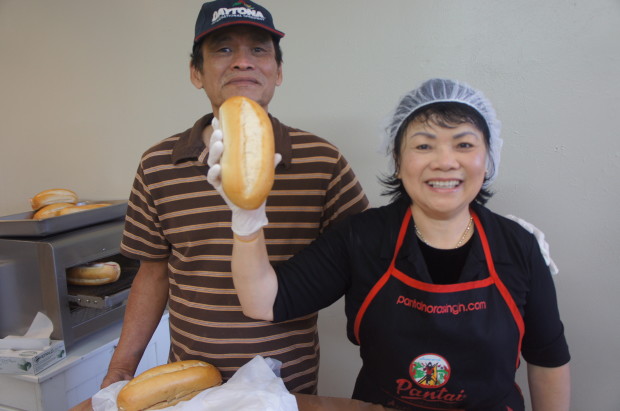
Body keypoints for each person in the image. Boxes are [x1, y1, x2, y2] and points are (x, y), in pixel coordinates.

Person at [214, 78, 571, 410]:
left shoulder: (519, 246)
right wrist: (247, 220)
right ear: (398, 162)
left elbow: (547, 360)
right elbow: (264, 301)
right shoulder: (361, 237)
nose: (445, 161)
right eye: (423, 145)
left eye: (464, 144)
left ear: (487, 158)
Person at [100, 0, 369, 394]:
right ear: (196, 72)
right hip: (191, 385)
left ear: (278, 72)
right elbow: (153, 273)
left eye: (259, 49)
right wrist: (121, 368)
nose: (242, 61)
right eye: (223, 49)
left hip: (287, 386)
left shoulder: (322, 160)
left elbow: (364, 262)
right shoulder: (158, 164)